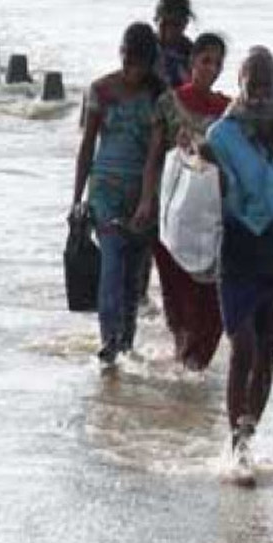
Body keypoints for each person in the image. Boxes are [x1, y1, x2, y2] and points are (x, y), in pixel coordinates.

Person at [199, 47, 273, 468]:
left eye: (267, 87)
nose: (260, 96)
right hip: (238, 249)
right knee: (244, 346)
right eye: (253, 87)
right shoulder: (222, 136)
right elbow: (215, 196)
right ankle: (235, 442)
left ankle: (248, 436)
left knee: (267, 349)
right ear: (241, 85)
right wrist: (206, 165)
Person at [134, 33, 232, 371]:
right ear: (192, 62)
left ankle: (195, 362)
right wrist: (146, 201)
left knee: (212, 297)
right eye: (206, 61)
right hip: (173, 214)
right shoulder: (169, 103)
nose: (212, 69)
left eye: (218, 64)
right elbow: (153, 158)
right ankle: (185, 362)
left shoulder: (228, 111)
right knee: (178, 292)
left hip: (212, 218)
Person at [70, 23, 165, 365]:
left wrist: (147, 200)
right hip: (105, 190)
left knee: (133, 276)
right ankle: (109, 342)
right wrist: (76, 199)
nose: (130, 70)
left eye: (138, 64)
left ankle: (126, 344)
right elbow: (87, 146)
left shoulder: (159, 97)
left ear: (149, 63)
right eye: (127, 60)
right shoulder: (100, 90)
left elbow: (155, 155)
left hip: (142, 191)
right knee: (111, 263)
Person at [154, 0, 195, 89]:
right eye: (164, 23)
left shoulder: (191, 53)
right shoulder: (146, 45)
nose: (169, 31)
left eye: (175, 24)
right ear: (157, 20)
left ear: (185, 23)